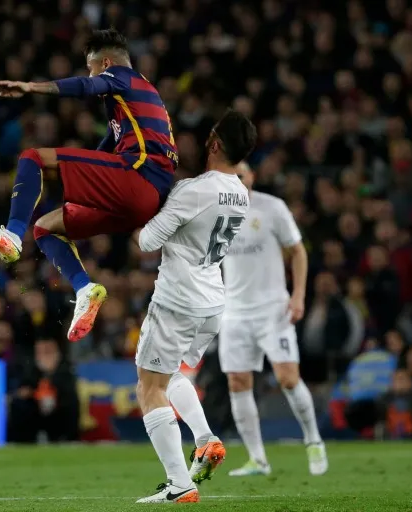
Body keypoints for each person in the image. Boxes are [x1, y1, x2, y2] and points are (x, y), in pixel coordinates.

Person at [0, 28, 178, 343]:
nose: (91, 74)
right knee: (45, 227)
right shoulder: (142, 97)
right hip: (145, 199)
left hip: (137, 176)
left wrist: (31, 87)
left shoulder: (120, 76)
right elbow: (104, 151)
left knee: (33, 157)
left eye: (92, 67)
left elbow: (84, 86)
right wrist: (76, 175)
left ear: (105, 63)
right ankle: (85, 290)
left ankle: (11, 235)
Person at [133, 111, 255, 504]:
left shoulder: (193, 190)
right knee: (168, 378)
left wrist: (149, 209)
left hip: (177, 299)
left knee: (148, 387)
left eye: (212, 134)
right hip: (211, 301)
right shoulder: (240, 192)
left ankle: (179, 484)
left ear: (216, 144)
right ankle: (204, 440)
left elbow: (148, 241)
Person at [217, 162, 328, 477]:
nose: (236, 181)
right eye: (230, 176)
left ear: (252, 177)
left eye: (241, 175)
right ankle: (257, 459)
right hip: (234, 312)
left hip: (272, 310)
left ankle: (313, 439)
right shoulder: (216, 213)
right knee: (237, 382)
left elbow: (299, 252)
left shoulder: (272, 208)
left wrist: (299, 295)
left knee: (287, 378)